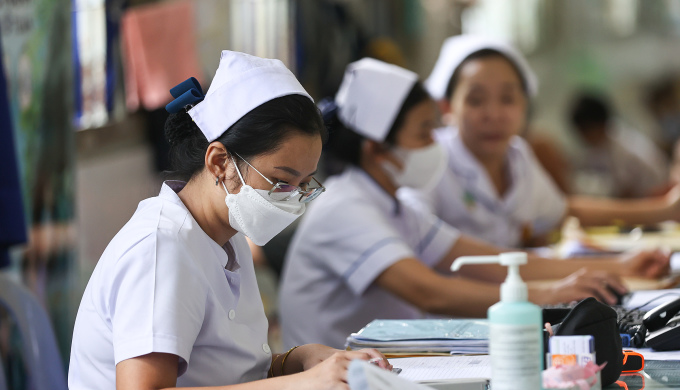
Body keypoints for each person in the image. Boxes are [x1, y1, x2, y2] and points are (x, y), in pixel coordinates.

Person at [62, 51, 391, 390]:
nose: (293, 200)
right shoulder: (160, 248)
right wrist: (299, 387)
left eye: (305, 184)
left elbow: (225, 371)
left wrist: (297, 361)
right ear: (220, 162)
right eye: (282, 181)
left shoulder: (226, 234)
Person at [278, 58, 668, 350]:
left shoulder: (393, 205)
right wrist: (551, 293)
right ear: (377, 148)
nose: (436, 144)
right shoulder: (345, 207)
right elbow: (429, 292)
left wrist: (615, 265)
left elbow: (495, 261)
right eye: (424, 133)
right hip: (334, 383)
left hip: (387, 362)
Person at [401, 35, 680, 248]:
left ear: (524, 107)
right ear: (447, 107)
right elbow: (428, 249)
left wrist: (662, 210)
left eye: (508, 99)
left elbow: (562, 211)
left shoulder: (518, 156)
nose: (494, 114)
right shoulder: (428, 159)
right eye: (476, 100)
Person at [569, 92, 668, 198]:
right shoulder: (610, 137)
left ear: (595, 125)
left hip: (656, 198)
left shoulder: (622, 149)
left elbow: (626, 194)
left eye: (583, 132)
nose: (582, 138)